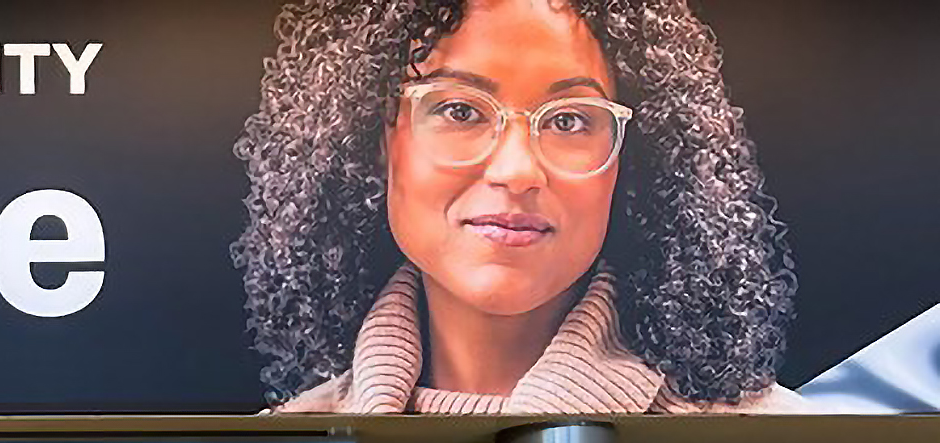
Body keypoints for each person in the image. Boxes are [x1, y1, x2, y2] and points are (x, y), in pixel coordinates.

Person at [239, 0, 806, 415]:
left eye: (568, 120)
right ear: (382, 137)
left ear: (630, 161)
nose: (516, 171)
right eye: (461, 111)